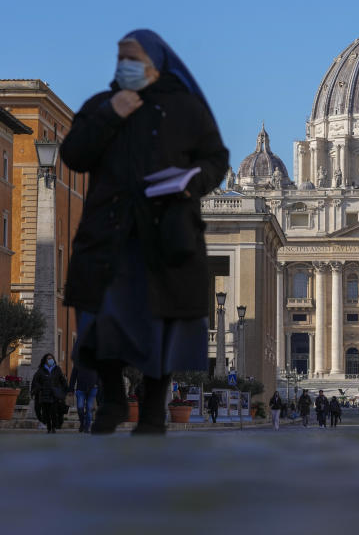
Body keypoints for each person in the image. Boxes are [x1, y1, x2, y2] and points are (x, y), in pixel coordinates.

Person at [61, 29, 228, 436]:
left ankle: (153, 410)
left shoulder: (186, 110)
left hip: (166, 234)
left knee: (163, 325)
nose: (125, 67)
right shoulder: (101, 105)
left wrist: (192, 181)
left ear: (156, 66)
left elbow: (216, 159)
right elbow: (73, 154)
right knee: (100, 320)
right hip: (111, 233)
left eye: (133, 60)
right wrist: (110, 114)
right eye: (121, 59)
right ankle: (113, 398)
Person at [31, 353, 67, 433]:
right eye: (48, 358)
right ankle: (49, 427)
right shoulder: (41, 370)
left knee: (53, 411)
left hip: (54, 394)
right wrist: (39, 388)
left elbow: (62, 381)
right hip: (44, 394)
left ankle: (53, 427)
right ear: (45, 360)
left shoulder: (57, 369)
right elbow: (35, 381)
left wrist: (63, 390)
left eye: (51, 358)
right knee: (46, 412)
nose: (50, 360)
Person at [67, 363, 99, 433]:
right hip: (80, 389)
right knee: (80, 407)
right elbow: (73, 376)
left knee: (89, 408)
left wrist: (98, 385)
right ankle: (82, 423)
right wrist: (71, 389)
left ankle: (87, 428)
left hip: (93, 389)